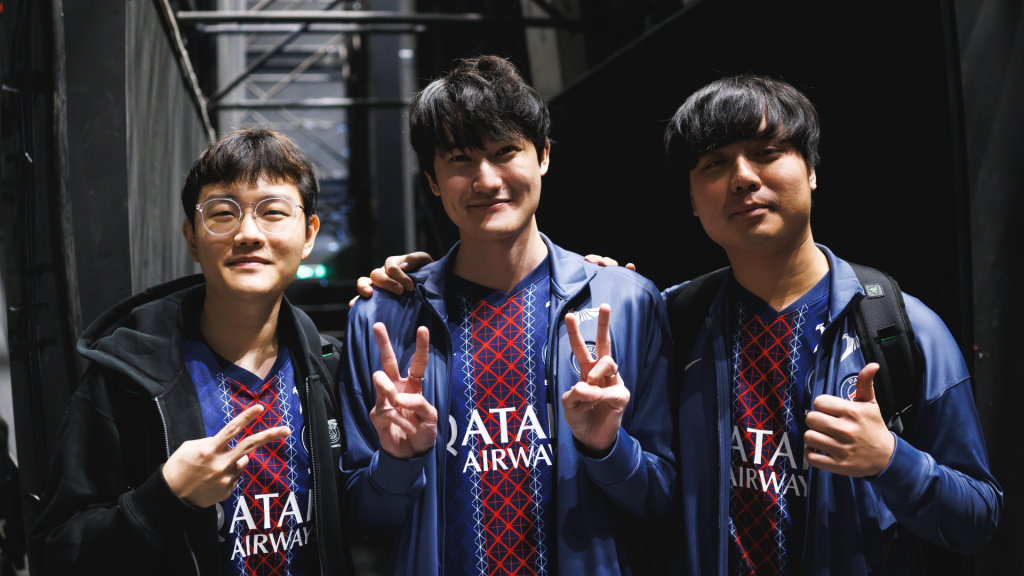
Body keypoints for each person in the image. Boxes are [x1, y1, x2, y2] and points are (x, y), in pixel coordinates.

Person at [358, 74, 1002, 575]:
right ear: (693, 199)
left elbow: (978, 519)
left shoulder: (900, 331)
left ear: (810, 169)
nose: (743, 178)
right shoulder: (670, 315)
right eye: (715, 164)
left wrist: (891, 461)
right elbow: (359, 518)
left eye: (767, 153)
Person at [339, 56, 676, 575]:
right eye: (459, 159)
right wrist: (398, 463)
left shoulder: (628, 303)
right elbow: (364, 519)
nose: (486, 179)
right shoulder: (380, 318)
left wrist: (608, 449)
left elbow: (665, 501)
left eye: (505, 152)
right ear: (432, 179)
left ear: (543, 156)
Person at [31, 128, 349, 576]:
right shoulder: (126, 377)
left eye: (273, 212)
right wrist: (165, 495)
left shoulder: (331, 368)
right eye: (223, 213)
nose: (248, 233)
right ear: (193, 239)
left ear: (309, 234)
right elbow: (56, 552)